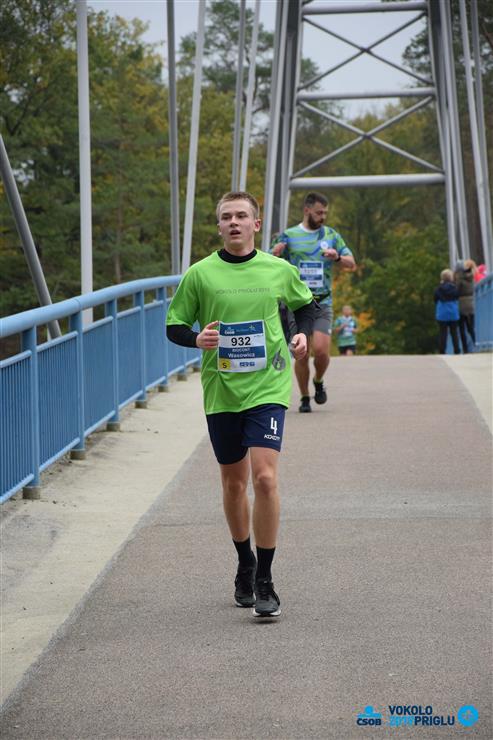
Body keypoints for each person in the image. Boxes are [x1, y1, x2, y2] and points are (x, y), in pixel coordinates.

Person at [166, 191, 315, 618]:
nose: (234, 222)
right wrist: (196, 338)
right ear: (219, 226)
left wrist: (301, 334)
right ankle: (244, 562)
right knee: (234, 483)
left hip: (268, 386)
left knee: (265, 478)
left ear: (256, 223)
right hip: (222, 389)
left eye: (241, 216)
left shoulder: (278, 269)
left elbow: (308, 307)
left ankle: (265, 578)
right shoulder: (200, 274)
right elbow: (174, 325)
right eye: (226, 217)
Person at [271, 192, 355, 413]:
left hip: (322, 302)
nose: (323, 216)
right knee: (302, 353)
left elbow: (351, 263)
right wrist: (276, 253)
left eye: (325, 213)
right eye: (319, 212)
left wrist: (337, 257)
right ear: (307, 210)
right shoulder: (289, 236)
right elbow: (268, 262)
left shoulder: (331, 235)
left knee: (321, 350)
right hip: (297, 303)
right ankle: (305, 397)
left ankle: (318, 380)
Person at [434, 268, 460, 354]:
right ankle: (457, 350)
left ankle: (442, 350)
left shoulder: (438, 289)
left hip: (442, 313)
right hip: (453, 312)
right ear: (451, 278)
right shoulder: (454, 288)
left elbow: (435, 299)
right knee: (454, 332)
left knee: (443, 332)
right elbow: (457, 297)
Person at [455, 259, 476, 353]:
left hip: (461, 304)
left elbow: (456, 291)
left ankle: (465, 349)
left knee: (462, 328)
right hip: (471, 303)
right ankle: (476, 343)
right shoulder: (471, 277)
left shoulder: (460, 279)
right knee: (471, 327)